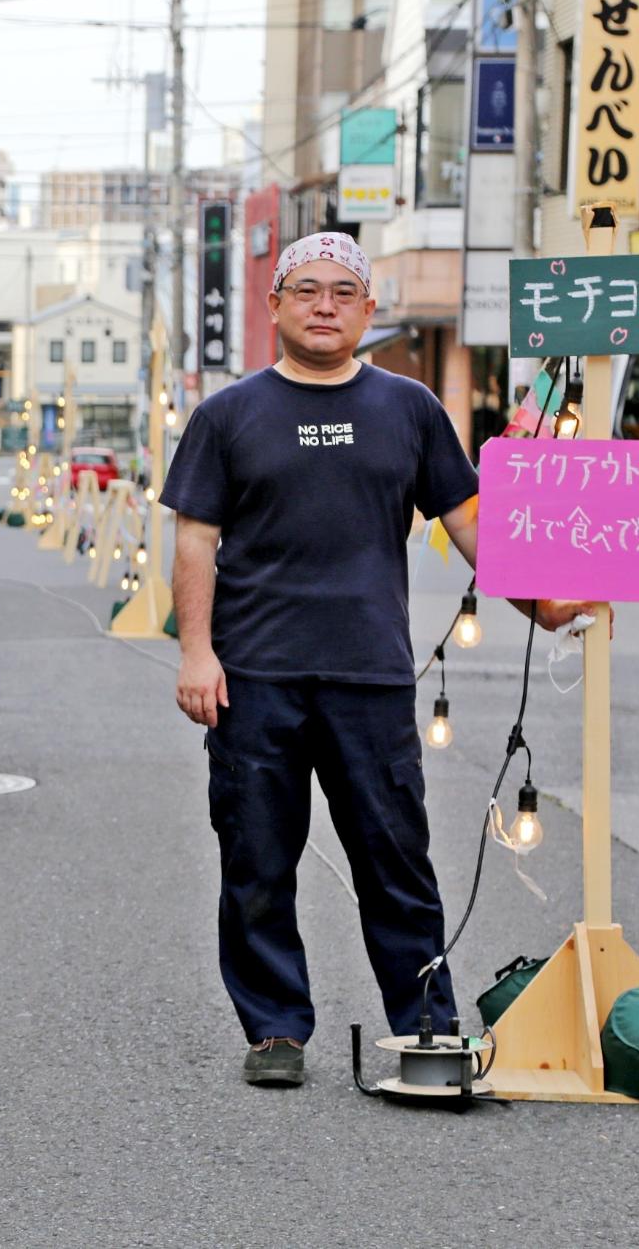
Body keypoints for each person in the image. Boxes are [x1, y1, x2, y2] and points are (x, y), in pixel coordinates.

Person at [161, 232, 601, 1088]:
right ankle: (275, 1029)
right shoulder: (228, 414)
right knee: (256, 858)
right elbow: (194, 540)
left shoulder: (410, 408)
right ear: (275, 304)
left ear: (368, 310)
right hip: (255, 677)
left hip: (370, 672)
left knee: (395, 855)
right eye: (305, 290)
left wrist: (541, 602)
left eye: (342, 292)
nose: (323, 305)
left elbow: (473, 523)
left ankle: (427, 1022)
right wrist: (197, 652)